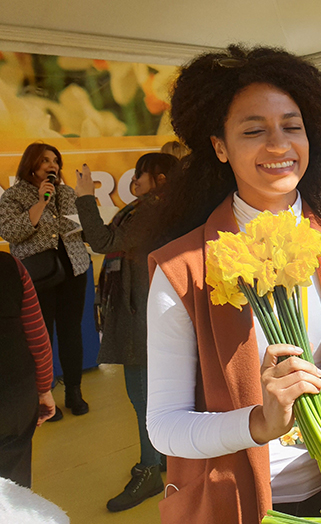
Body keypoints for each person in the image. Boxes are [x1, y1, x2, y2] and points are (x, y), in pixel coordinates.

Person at [142, 45, 321, 523]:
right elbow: (164, 427)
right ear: (219, 146)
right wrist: (259, 423)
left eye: (291, 127)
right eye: (254, 131)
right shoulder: (181, 270)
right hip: (232, 503)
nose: (279, 146)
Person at [74, 153, 178, 512]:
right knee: (150, 392)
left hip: (141, 314)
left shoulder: (150, 211)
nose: (135, 180)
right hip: (147, 310)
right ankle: (162, 456)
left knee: (142, 394)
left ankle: (149, 471)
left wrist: (85, 197)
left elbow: (102, 241)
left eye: (141, 174)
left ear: (160, 179)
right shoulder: (155, 208)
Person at [0, 143, 91, 421]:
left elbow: (82, 226)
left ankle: (74, 391)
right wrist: (41, 203)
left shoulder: (66, 192)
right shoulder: (13, 196)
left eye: (56, 161)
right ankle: (43, 395)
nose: (52, 166)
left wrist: (78, 211)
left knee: (71, 332)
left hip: (74, 269)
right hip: (38, 276)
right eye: (45, 161)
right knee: (41, 337)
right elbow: (11, 232)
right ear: (31, 165)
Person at [0, 252, 56, 488]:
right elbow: (37, 339)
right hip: (13, 395)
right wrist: (43, 390)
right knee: (13, 492)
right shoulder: (10, 266)